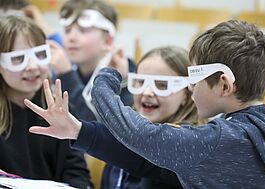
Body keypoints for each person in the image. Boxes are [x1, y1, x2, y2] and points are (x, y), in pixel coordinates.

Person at [24, 19, 265, 188]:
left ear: (224, 85)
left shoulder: (216, 140)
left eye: (194, 77)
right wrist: (79, 131)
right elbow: (149, 162)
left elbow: (141, 136)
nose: (190, 87)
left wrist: (106, 77)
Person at [24, 46, 204, 189]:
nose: (147, 92)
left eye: (162, 85)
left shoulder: (188, 144)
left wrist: (80, 130)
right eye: (140, 82)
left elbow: (142, 154)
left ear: (187, 95)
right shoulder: (125, 134)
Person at [0, 15, 93, 188]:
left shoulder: (62, 111)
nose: (32, 66)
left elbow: (77, 174)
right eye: (18, 59)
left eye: (40, 55)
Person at [52, 0, 136, 121]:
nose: (71, 37)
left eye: (83, 30)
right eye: (67, 30)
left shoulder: (132, 81)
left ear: (108, 41)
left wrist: (67, 76)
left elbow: (95, 129)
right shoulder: (66, 74)